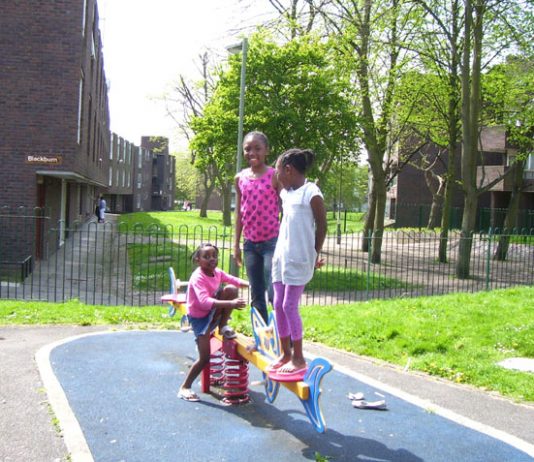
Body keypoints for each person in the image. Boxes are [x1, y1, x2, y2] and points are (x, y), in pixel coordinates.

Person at [268, 148, 327, 375]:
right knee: (278, 305)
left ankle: (299, 358)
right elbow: (276, 180)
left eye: (279, 169)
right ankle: (285, 354)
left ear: (289, 170)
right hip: (281, 257)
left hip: (299, 258)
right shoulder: (286, 194)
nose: (276, 174)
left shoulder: (310, 192)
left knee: (289, 305)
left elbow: (322, 225)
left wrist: (313, 254)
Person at [178, 243, 249, 402]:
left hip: (212, 313)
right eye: (206, 256)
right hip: (200, 319)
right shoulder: (198, 277)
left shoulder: (216, 272)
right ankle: (185, 387)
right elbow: (203, 302)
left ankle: (223, 325)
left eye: (214, 256)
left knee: (230, 289)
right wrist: (231, 304)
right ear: (198, 260)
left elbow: (233, 280)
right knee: (204, 358)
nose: (211, 259)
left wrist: (253, 285)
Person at [234, 131, 280, 323]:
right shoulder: (240, 178)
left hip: (272, 242)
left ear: (266, 151)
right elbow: (239, 213)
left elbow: (285, 209)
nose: (252, 152)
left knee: (273, 291)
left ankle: (283, 335)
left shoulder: (275, 176)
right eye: (247, 149)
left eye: (257, 148)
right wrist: (236, 244)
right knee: (257, 294)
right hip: (250, 244)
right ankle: (261, 336)